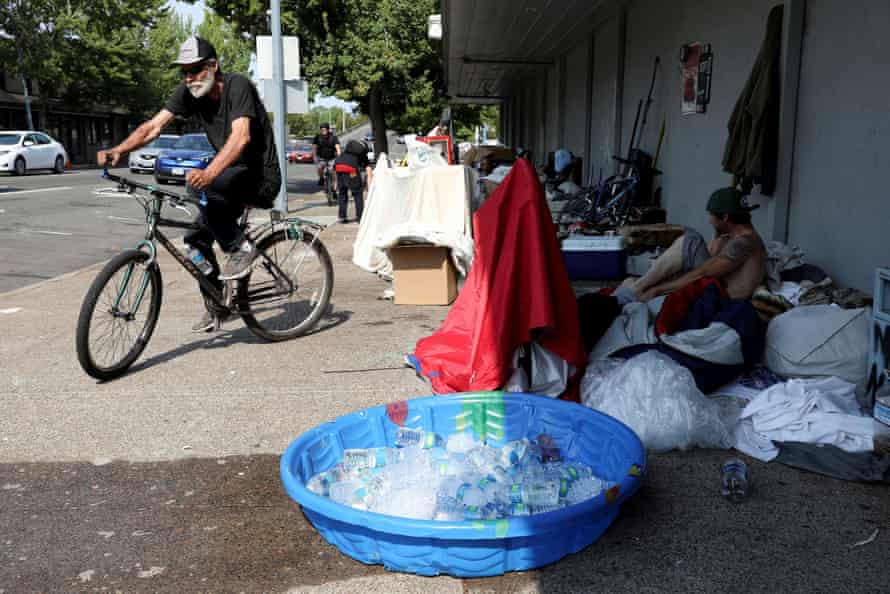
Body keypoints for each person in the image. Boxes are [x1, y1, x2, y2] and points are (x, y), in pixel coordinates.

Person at [97, 36, 282, 332]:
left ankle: (242, 248)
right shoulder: (189, 93)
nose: (189, 78)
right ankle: (217, 304)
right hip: (228, 180)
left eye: (195, 70)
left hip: (259, 177)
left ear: (213, 65)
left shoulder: (238, 86)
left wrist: (209, 174)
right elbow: (154, 126)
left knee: (198, 185)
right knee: (195, 242)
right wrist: (120, 150)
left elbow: (240, 137)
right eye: (184, 72)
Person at [615, 187, 767, 303]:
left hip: (720, 300)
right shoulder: (732, 239)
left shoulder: (745, 243)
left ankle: (634, 291)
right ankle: (634, 288)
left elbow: (703, 273)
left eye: (711, 216)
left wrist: (657, 290)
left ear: (725, 217)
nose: (710, 221)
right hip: (713, 289)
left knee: (692, 240)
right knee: (629, 282)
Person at [334, 139, 373, 223]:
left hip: (338, 166)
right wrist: (370, 190)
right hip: (351, 170)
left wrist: (335, 184)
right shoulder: (363, 155)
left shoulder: (347, 150)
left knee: (342, 193)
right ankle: (360, 216)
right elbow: (369, 172)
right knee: (357, 193)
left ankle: (342, 216)